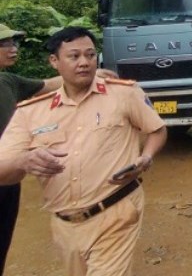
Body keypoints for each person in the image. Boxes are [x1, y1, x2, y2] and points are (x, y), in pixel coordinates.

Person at [0, 27, 166, 276]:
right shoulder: (30, 112)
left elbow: (157, 129)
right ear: (54, 61)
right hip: (66, 223)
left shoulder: (123, 93)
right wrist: (24, 161)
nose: (84, 63)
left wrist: (146, 157)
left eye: (90, 55)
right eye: (74, 56)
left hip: (117, 211)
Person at [0, 24, 117, 276]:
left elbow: (47, 84)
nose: (13, 49)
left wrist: (91, 76)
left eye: (13, 42)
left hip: (8, 176)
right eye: (5, 44)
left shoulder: (8, 82)